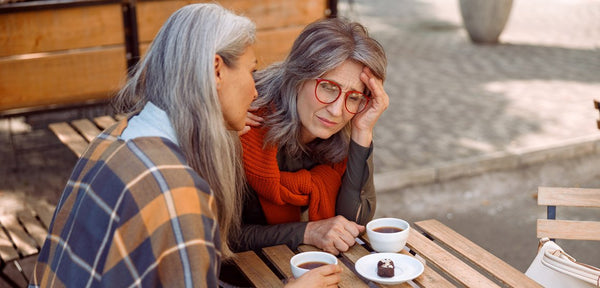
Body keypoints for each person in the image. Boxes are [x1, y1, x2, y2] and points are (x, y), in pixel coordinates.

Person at [29, 4, 340, 287]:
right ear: (216, 70)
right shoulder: (177, 188)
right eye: (251, 71)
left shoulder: (113, 137)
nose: (254, 91)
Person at [235, 17, 388, 255]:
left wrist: (362, 131)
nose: (337, 111)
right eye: (328, 87)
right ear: (298, 78)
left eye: (354, 97)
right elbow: (223, 235)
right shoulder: (244, 121)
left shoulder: (348, 125)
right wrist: (308, 232)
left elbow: (353, 223)